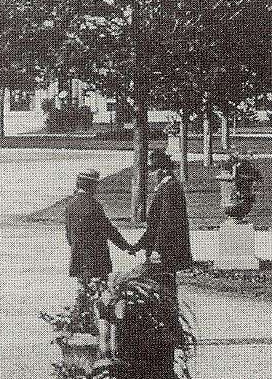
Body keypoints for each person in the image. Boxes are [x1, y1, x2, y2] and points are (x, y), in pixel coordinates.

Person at [64, 168, 134, 356]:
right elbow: (109, 230)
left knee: (85, 293)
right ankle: (104, 341)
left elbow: (69, 237)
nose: (96, 188)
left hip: (79, 261)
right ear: (90, 185)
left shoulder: (70, 206)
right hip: (97, 261)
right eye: (95, 185)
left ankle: (84, 326)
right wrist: (127, 247)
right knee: (102, 299)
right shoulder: (93, 206)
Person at [133, 149, 193, 310]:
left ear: (163, 170)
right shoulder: (166, 187)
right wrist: (138, 245)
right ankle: (165, 319)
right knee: (158, 286)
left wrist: (158, 250)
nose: (151, 175)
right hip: (162, 249)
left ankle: (169, 322)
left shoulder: (170, 188)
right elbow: (155, 225)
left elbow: (167, 223)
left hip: (166, 251)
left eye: (153, 170)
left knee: (164, 286)